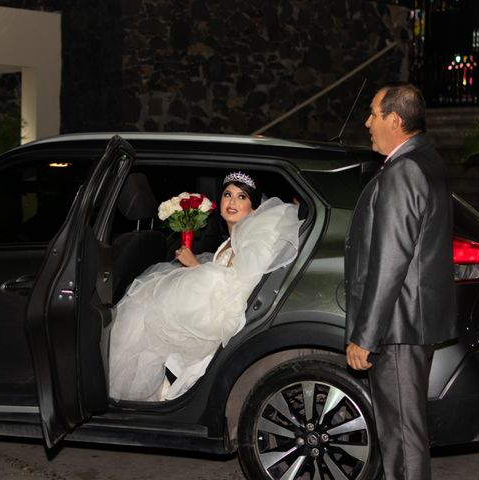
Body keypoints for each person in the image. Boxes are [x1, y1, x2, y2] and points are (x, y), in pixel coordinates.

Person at [344, 84, 457, 480]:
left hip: (397, 328)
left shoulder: (404, 169)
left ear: (395, 119)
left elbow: (390, 261)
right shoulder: (425, 159)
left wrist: (366, 335)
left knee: (402, 438)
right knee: (403, 433)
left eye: (373, 113)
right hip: (411, 324)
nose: (367, 122)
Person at [109, 172, 300, 401]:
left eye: (242, 197)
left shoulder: (250, 240)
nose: (232, 201)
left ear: (253, 207)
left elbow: (234, 283)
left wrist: (195, 266)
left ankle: (153, 394)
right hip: (211, 306)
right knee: (143, 308)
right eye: (228, 194)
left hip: (219, 316)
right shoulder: (233, 238)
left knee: (145, 309)